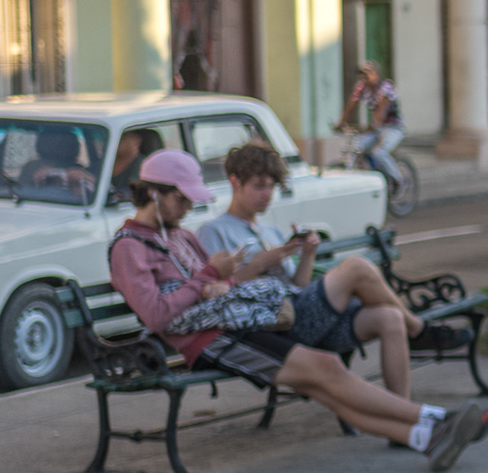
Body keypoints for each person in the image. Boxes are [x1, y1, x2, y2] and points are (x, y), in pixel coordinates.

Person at [107, 150, 488, 470]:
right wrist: (209, 276)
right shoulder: (129, 247)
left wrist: (222, 281)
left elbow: (217, 288)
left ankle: (426, 437)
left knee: (325, 380)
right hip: (211, 341)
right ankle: (438, 419)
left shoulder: (180, 234)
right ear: (154, 194)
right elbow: (156, 315)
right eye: (182, 199)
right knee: (327, 371)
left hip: (236, 324)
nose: (189, 206)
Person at [196, 142, 472, 405]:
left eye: (271, 186)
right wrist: (257, 265)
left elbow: (299, 285)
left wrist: (308, 254)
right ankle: (420, 331)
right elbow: (211, 294)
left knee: (390, 318)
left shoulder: (270, 231)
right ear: (235, 182)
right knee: (356, 267)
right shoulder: (214, 231)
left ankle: (404, 414)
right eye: (258, 186)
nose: (266, 194)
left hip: (299, 315)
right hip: (271, 329)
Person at [335, 61, 405, 176]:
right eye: (362, 76)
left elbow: (381, 112)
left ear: (375, 75)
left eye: (367, 75)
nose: (364, 79)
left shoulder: (386, 87)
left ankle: (398, 179)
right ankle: (371, 171)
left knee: (379, 153)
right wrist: (341, 123)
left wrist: (371, 126)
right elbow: (351, 106)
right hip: (376, 129)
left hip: (392, 128)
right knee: (356, 147)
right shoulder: (362, 87)